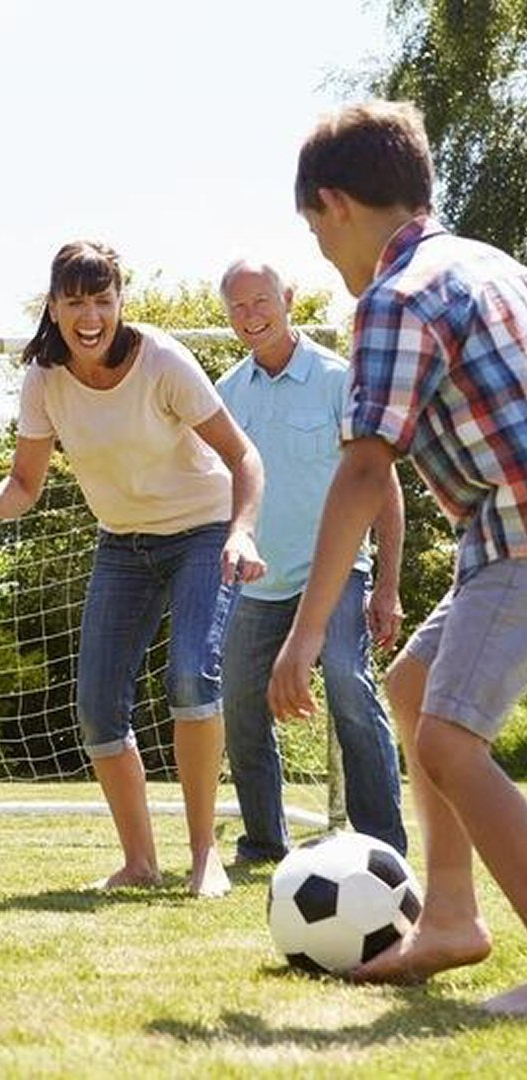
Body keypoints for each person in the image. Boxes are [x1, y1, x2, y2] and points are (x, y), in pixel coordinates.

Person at [269, 101, 527, 1015]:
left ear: (335, 204)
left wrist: (303, 636)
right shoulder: (490, 264)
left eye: (313, 229)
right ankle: (452, 918)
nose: (322, 254)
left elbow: (365, 468)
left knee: (449, 744)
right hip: (496, 537)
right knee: (415, 687)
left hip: (519, 534)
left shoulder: (396, 294)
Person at [0, 241, 265, 896]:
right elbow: (24, 488)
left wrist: (240, 533)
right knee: (97, 708)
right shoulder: (44, 378)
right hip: (123, 543)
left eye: (102, 300)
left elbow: (244, 458)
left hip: (202, 535)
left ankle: (204, 857)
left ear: (121, 303)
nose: (89, 316)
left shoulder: (162, 361)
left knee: (190, 676)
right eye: (75, 301)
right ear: (55, 307)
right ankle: (140, 863)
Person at [216, 258, 407, 861]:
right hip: (258, 584)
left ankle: (383, 847)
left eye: (261, 301)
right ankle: (265, 842)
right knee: (240, 702)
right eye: (238, 307)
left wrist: (388, 588)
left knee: (350, 684)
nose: (251, 316)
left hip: (339, 574)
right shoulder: (225, 394)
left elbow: (385, 485)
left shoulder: (336, 379)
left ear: (288, 298)